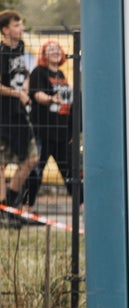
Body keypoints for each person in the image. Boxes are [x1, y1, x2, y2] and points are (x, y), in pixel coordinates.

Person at [25, 39, 75, 208]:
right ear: (44, 54)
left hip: (61, 133)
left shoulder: (61, 75)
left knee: (70, 172)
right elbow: (37, 94)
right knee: (35, 171)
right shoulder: (39, 72)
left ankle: (81, 207)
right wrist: (51, 99)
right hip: (43, 132)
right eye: (50, 49)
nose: (55, 51)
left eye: (57, 48)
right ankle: (26, 208)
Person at [0, 10, 39, 211]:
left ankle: (11, 200)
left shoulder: (21, 47)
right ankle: (4, 208)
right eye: (16, 25)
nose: (21, 28)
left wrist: (25, 85)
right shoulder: (1, 53)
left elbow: (24, 72)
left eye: (21, 24)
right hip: (3, 114)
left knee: (31, 158)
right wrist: (17, 94)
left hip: (19, 113)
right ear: (5, 30)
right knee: (1, 163)